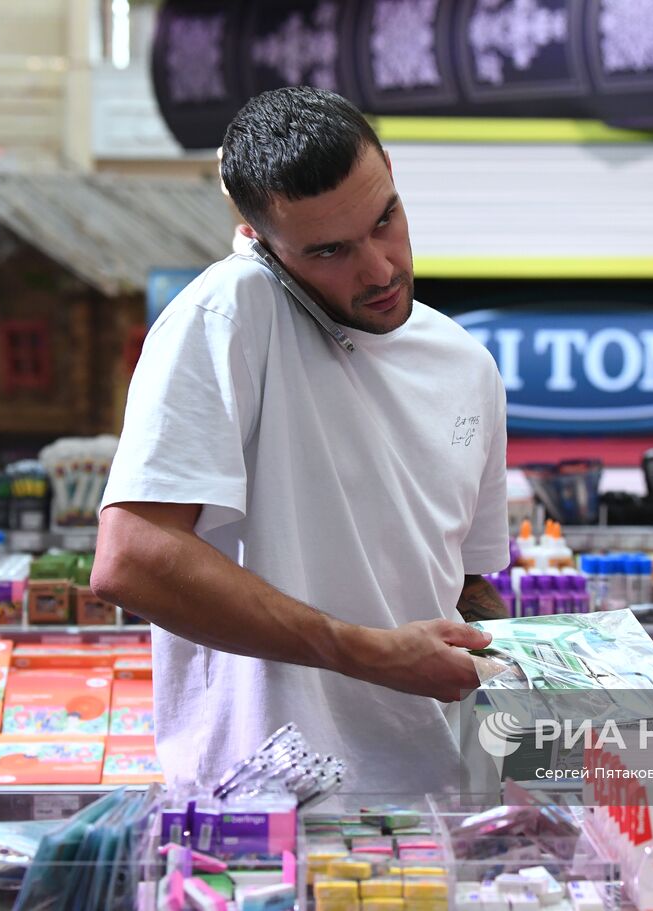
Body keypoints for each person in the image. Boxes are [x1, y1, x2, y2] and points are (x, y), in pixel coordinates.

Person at [92, 87, 511, 794]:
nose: (378, 268)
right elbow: (132, 560)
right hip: (262, 814)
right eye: (329, 250)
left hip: (436, 805)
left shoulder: (465, 362)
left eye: (387, 219)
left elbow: (465, 586)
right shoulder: (228, 315)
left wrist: (555, 685)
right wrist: (371, 652)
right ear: (260, 239)